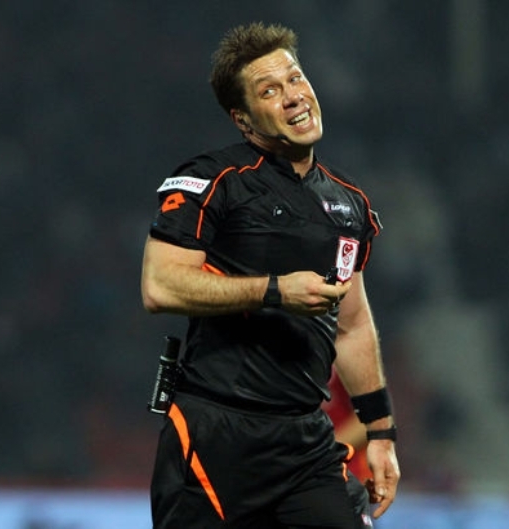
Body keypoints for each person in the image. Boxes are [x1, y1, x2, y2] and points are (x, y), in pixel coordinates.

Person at [140, 22, 400, 529]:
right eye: (269, 90)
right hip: (215, 434)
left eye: (295, 78)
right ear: (243, 119)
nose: (293, 96)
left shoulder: (349, 204)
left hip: (305, 441)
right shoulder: (213, 180)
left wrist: (382, 432)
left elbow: (352, 326)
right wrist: (276, 291)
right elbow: (159, 285)